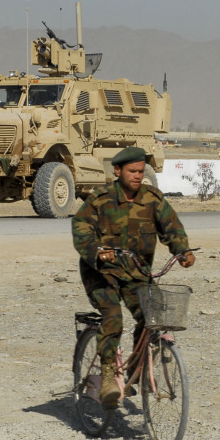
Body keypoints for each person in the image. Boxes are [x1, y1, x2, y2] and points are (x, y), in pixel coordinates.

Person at [72, 146, 195, 408]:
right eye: (132, 171)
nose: (138, 176)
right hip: (101, 273)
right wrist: (97, 252)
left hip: (136, 273)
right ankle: (107, 375)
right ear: (117, 171)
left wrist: (182, 250)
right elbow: (81, 230)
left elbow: (171, 227)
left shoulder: (153, 199)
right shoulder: (100, 199)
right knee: (113, 317)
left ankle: (135, 371)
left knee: (152, 316)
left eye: (140, 171)